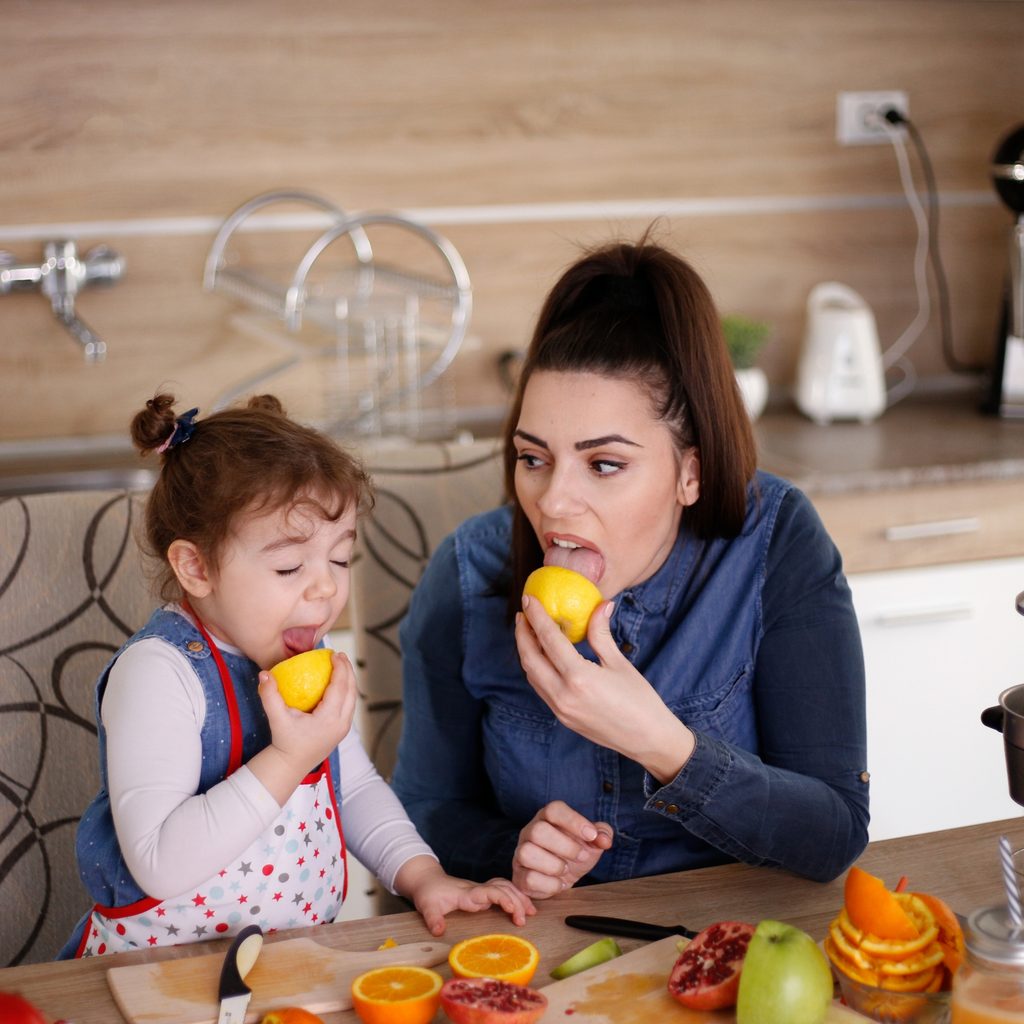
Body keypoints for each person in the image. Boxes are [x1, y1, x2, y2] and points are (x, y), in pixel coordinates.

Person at [392, 236, 870, 900]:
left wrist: (666, 746)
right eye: (533, 458)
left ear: (690, 473)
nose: (553, 500)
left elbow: (835, 833)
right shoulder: (469, 573)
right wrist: (513, 851)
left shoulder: (777, 543)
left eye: (604, 464)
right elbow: (422, 809)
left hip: (733, 936)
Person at [59, 394, 533, 959]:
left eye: (339, 559)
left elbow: (353, 786)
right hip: (155, 978)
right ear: (196, 567)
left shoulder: (306, 652)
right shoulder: (159, 673)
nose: (326, 589)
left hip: (287, 967)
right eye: (289, 566)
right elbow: (160, 861)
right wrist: (287, 759)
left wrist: (422, 875)